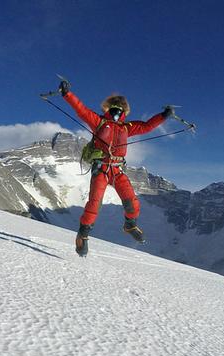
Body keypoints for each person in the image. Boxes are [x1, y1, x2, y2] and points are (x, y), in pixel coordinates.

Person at [58, 80, 173, 256]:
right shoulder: (99, 122)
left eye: (120, 108)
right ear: (108, 108)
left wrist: (163, 116)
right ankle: (83, 234)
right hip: (101, 169)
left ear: (124, 111)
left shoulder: (127, 128)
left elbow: (148, 126)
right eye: (114, 107)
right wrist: (67, 94)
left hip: (117, 170)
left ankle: (130, 224)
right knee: (94, 204)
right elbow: (81, 110)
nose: (117, 110)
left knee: (132, 202)